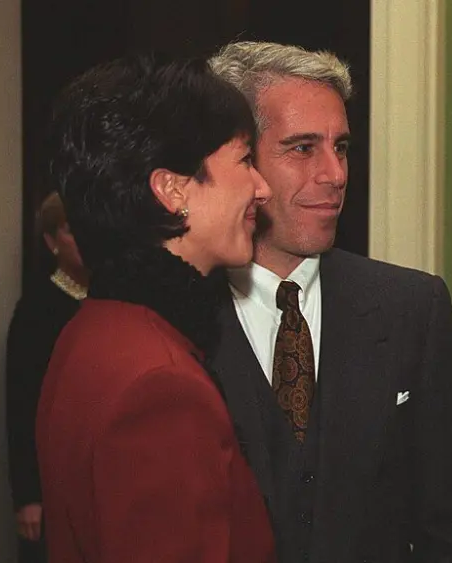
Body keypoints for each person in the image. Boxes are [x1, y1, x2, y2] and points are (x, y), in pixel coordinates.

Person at [207, 41, 452, 563]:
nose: (335, 174)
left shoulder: (412, 308)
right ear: (240, 159)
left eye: (341, 147)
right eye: (302, 148)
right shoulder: (175, 323)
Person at [35, 53, 277, 562]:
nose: (262, 187)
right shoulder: (160, 385)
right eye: (245, 160)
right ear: (172, 190)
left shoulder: (94, 328)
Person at [5, 191, 87, 563]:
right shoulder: (37, 308)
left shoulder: (113, 301)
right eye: (71, 230)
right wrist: (28, 497)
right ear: (52, 241)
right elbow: (20, 402)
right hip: (51, 483)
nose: (83, 238)